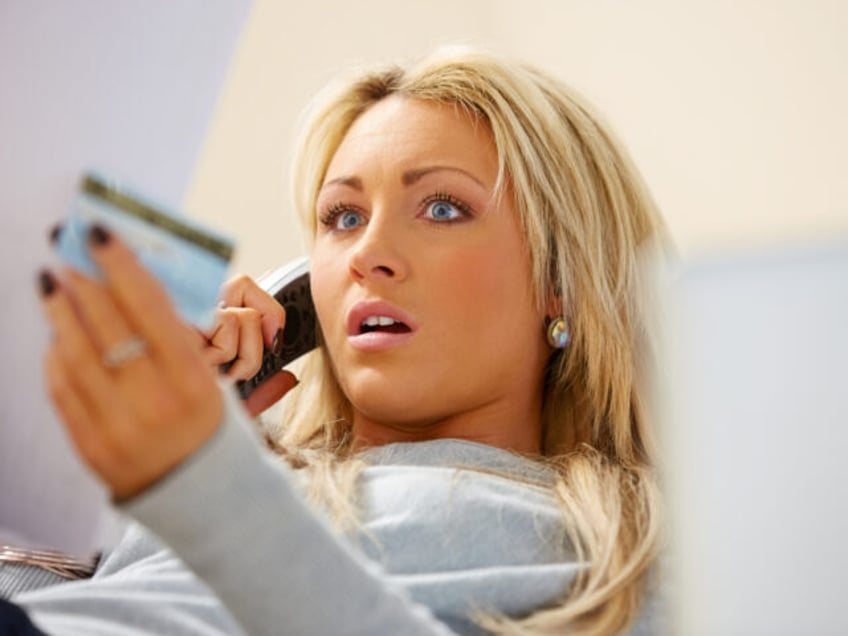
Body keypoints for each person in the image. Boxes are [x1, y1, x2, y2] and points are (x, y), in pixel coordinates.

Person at [5, 46, 666, 635]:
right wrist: (84, 480)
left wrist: (206, 484)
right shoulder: (240, 470)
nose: (367, 254)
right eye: (343, 217)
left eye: (442, 208)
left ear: (563, 280)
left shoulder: (623, 548)